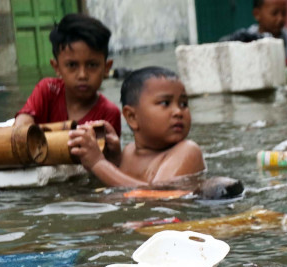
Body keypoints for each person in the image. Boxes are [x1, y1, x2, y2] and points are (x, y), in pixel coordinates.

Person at [67, 67, 205, 187]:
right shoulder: (128, 151)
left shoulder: (187, 151)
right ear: (132, 117)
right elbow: (120, 185)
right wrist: (112, 159)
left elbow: (160, 196)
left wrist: (98, 164)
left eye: (183, 104)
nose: (178, 112)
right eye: (165, 103)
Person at [14, 14, 122, 136]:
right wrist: (22, 127)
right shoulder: (48, 90)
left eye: (92, 65)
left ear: (106, 68)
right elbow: (22, 122)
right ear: (57, 67)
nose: (82, 75)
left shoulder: (109, 114)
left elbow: (108, 155)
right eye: (72, 65)